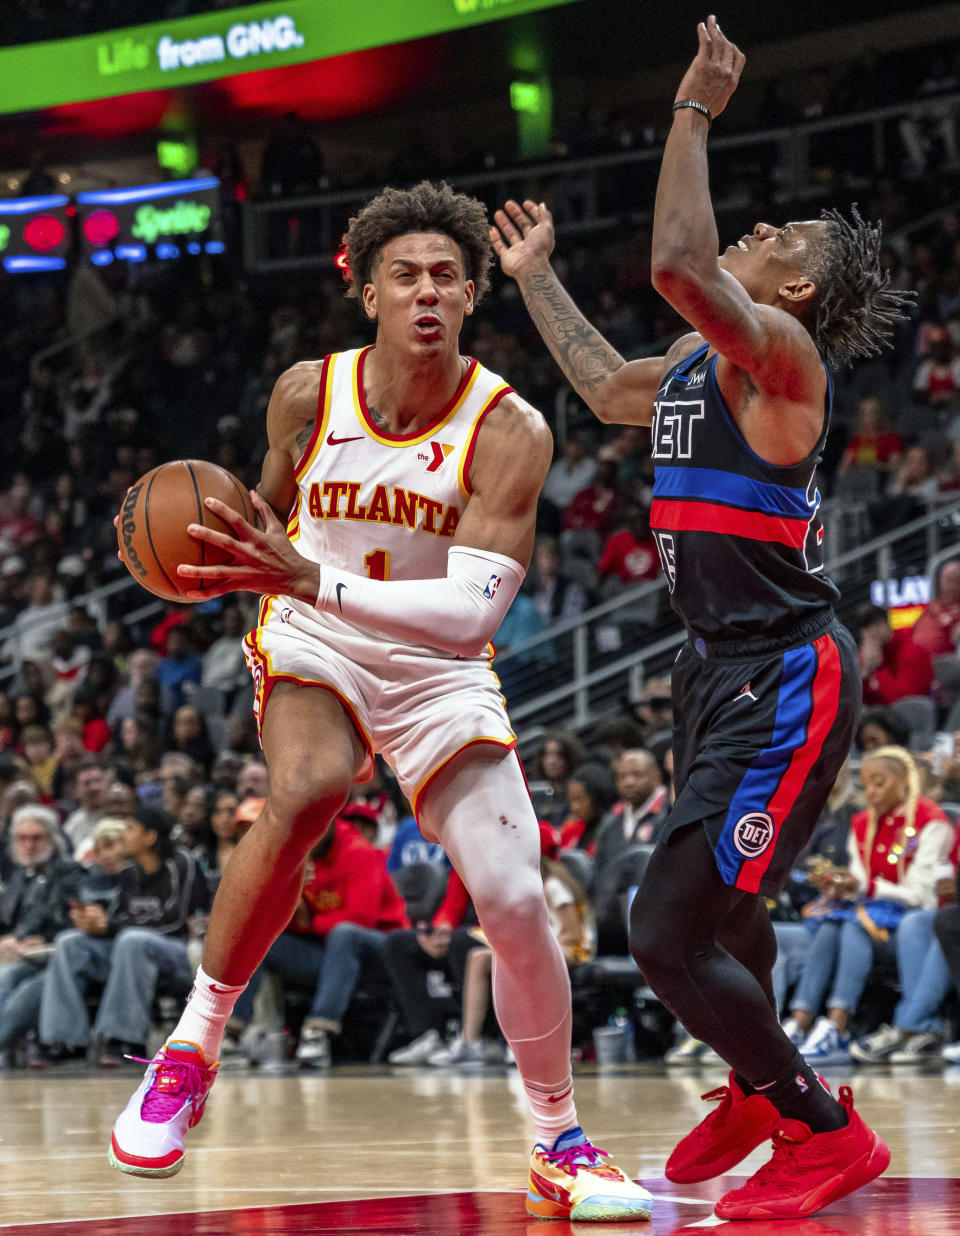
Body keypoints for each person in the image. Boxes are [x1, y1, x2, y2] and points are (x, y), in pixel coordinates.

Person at [109, 181, 653, 1222]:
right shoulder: (307, 394)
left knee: (516, 896)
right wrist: (222, 549)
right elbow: (268, 508)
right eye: (404, 275)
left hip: (433, 658)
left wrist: (312, 577)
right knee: (313, 786)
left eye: (447, 275)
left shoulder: (510, 429)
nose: (427, 292)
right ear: (365, 290)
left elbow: (473, 616)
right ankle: (193, 1045)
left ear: (470, 296)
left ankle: (558, 1142)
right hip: (315, 634)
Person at [491, 15, 914, 1221]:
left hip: (785, 667)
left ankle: (822, 1129)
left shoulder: (782, 355)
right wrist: (536, 281)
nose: (761, 229)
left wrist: (693, 110)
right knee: (721, 915)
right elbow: (601, 384)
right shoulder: (694, 358)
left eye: (782, 236)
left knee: (667, 931)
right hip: (714, 664)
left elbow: (683, 260)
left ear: (794, 289)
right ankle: (755, 1080)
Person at [782, 746, 955, 1066]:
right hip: (872, 920)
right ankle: (802, 1021)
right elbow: (860, 886)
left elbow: (921, 895)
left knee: (851, 925)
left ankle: (838, 1024)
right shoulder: (861, 823)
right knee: (837, 924)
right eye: (867, 783)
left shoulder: (932, 820)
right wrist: (839, 887)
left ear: (904, 781)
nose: (871, 792)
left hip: (908, 920)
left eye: (880, 782)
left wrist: (862, 887)